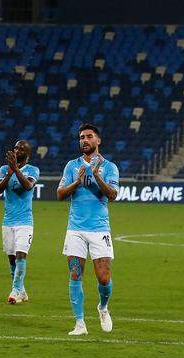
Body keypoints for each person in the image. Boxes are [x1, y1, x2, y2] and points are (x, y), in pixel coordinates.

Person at [57, 123, 119, 336]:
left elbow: (112, 195)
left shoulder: (110, 167)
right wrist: (76, 182)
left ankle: (103, 307)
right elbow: (59, 194)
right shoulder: (71, 166)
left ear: (98, 140)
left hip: (99, 229)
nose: (84, 140)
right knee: (75, 275)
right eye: (81, 137)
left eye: (89, 136)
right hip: (75, 229)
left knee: (103, 278)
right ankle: (80, 323)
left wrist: (96, 176)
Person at [0, 140, 39, 304]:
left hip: (25, 222)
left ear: (27, 154)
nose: (16, 149)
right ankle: (21, 290)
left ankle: (15, 291)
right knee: (12, 258)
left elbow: (27, 186)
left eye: (21, 148)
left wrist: (15, 169)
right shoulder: (3, 169)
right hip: (8, 221)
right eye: (15, 147)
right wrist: (9, 172)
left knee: (21, 255)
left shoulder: (33, 170)